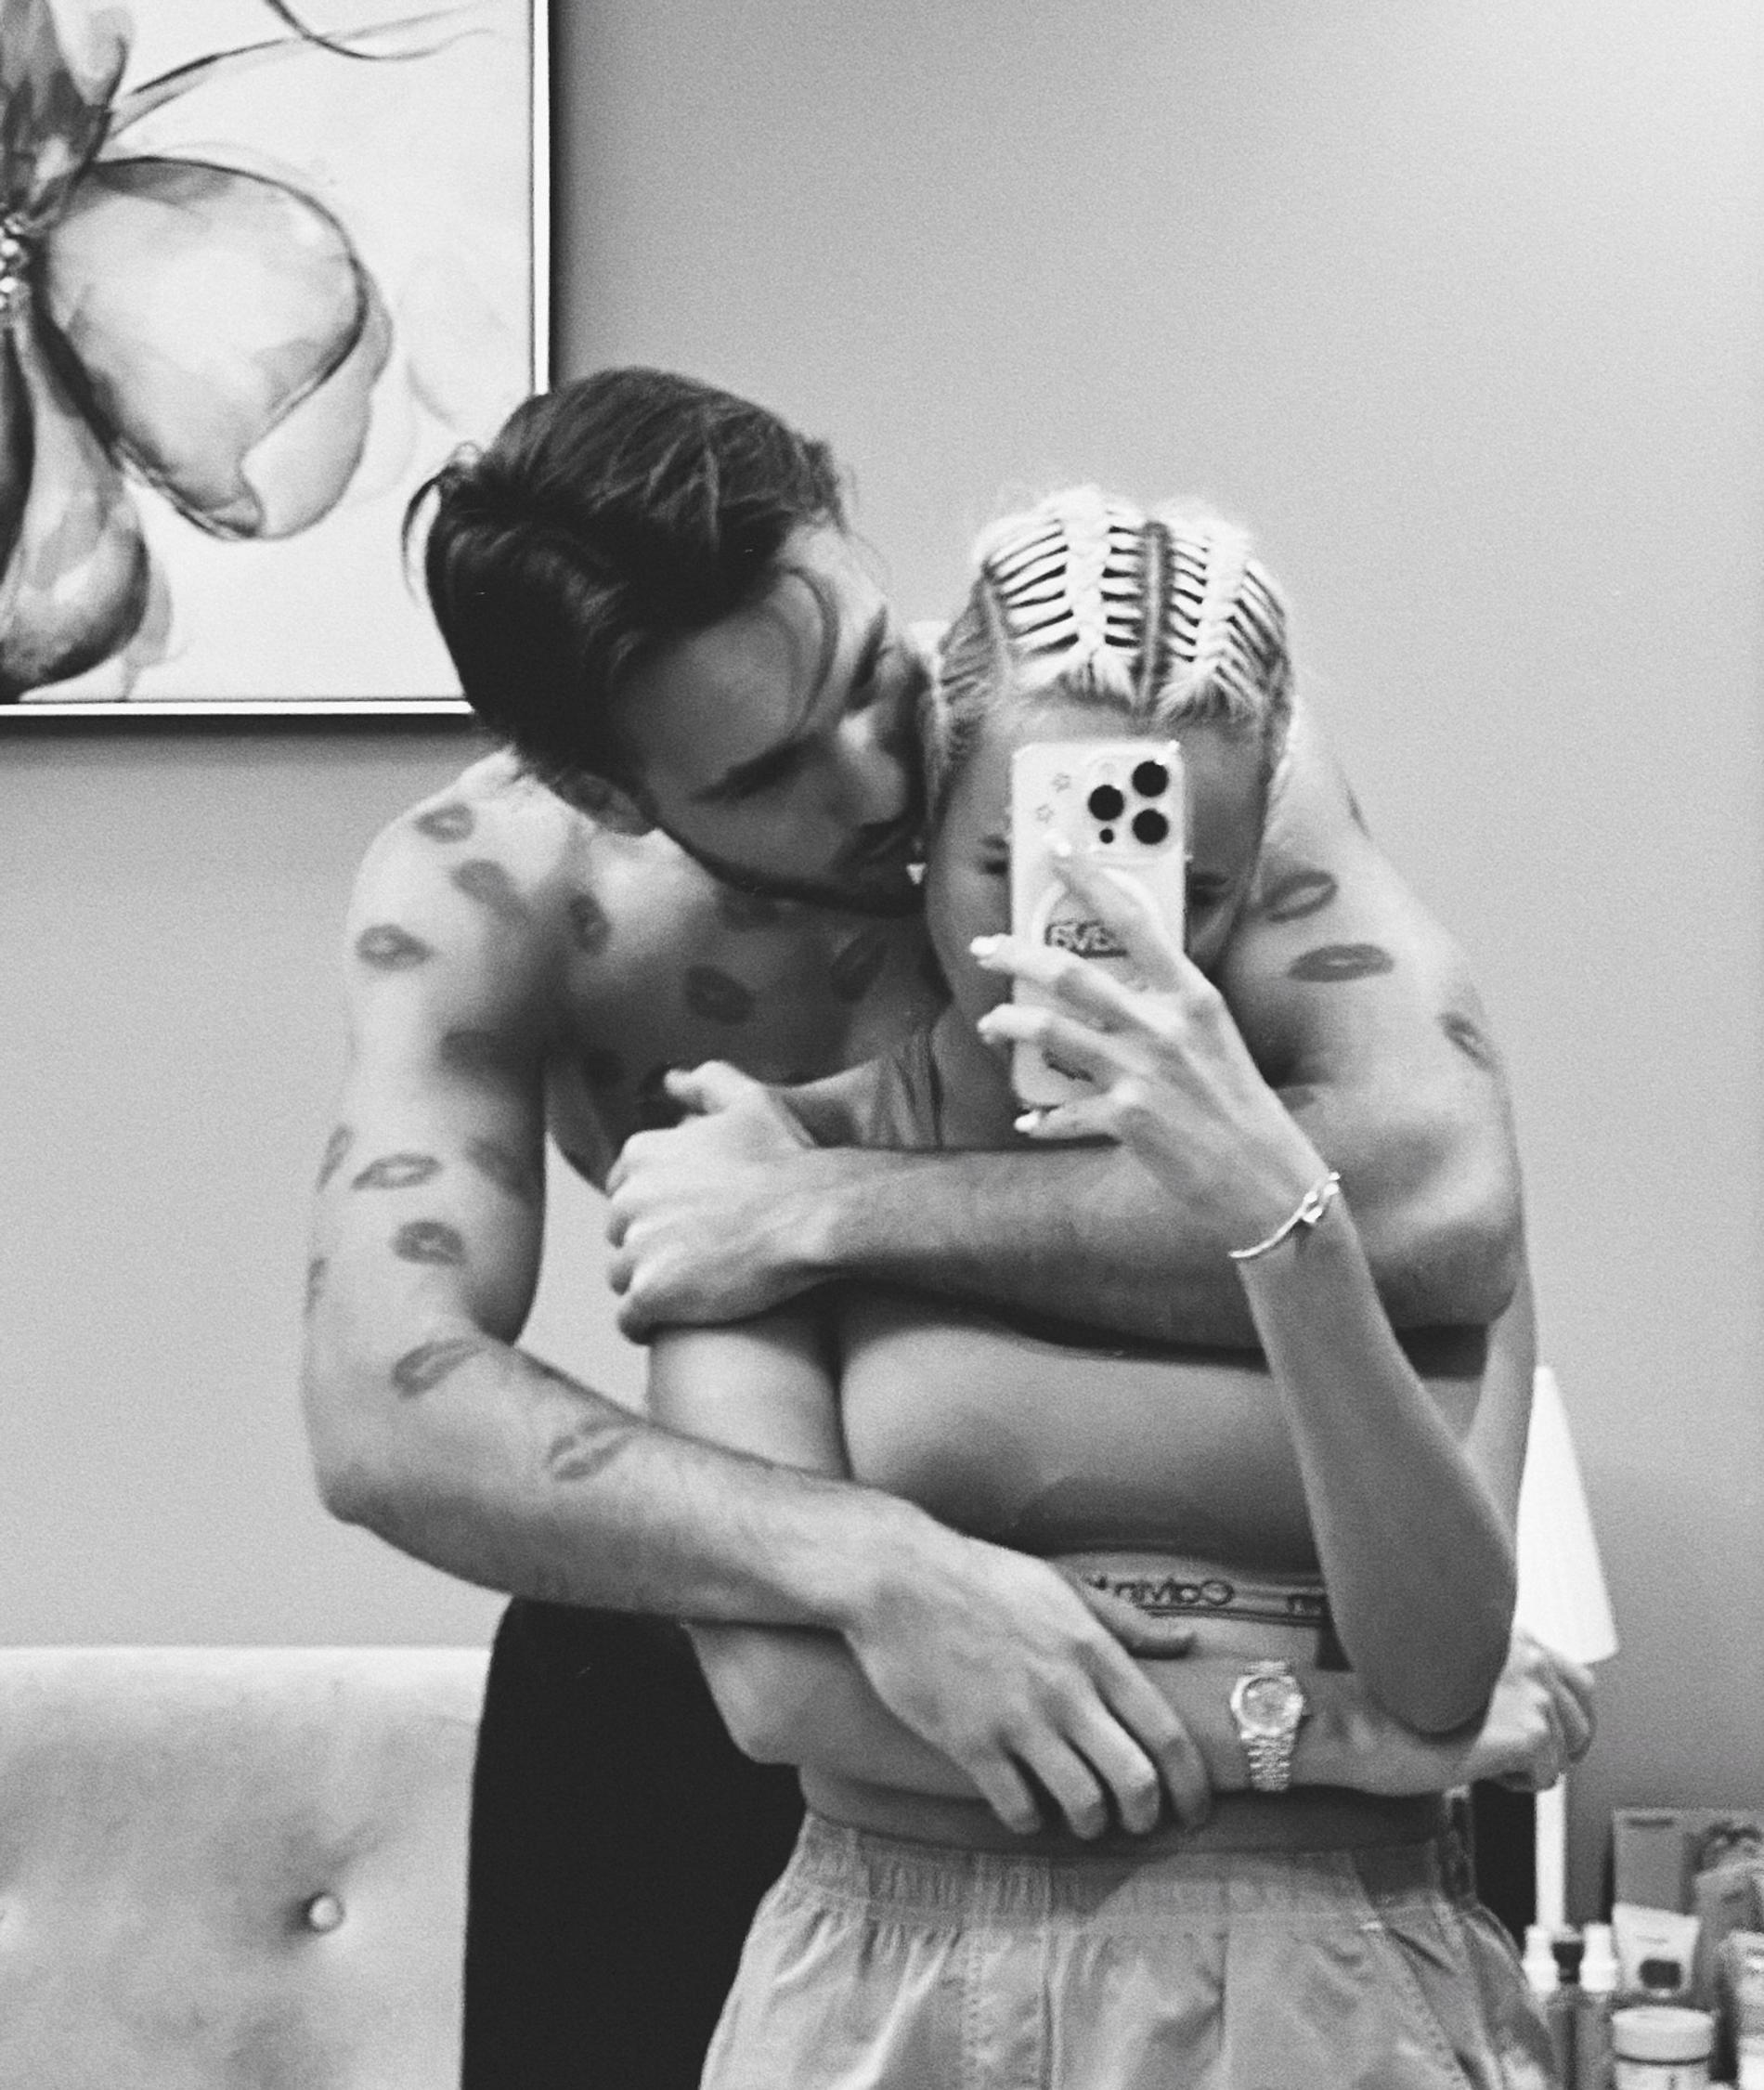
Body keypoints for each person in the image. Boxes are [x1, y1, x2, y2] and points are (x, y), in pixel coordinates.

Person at [299, 369, 1544, 2089]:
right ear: (604, 788)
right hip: (749, 1648)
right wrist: (883, 1569)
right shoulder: (504, 894)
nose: (884, 773)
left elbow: (1445, 1209)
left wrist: (831, 1206)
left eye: (863, 671)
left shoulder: (1089, 724)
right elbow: (384, 1408)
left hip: (1239, 1753)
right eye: (772, 768)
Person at [650, 487, 1580, 2089]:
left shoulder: (1399, 1197)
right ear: (921, 836)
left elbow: (1437, 1663)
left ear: (1259, 872)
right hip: (900, 1992)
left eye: (1185, 890)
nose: (1085, 943)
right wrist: (1316, 1732)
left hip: (1339, 1994)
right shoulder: (768, 1169)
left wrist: (1278, 1219)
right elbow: (788, 1696)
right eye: (1007, 864)